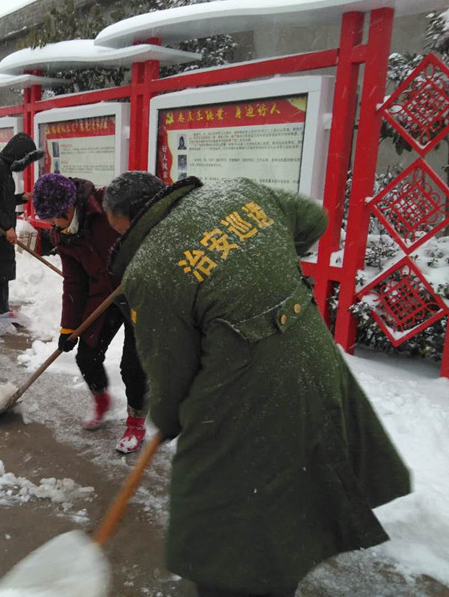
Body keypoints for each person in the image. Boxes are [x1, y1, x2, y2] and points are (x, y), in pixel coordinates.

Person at [103, 172, 411, 597]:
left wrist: (168, 419)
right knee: (303, 466)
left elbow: (172, 372)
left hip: (244, 395)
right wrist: (267, 270)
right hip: (311, 357)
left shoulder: (149, 268)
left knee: (226, 520)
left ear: (126, 219)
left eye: (115, 227)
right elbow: (314, 219)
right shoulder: (240, 192)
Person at [32, 172, 148, 453]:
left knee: (133, 367)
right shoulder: (62, 235)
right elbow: (74, 282)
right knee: (86, 356)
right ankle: (101, 399)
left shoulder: (110, 206)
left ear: (68, 208)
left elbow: (147, 237)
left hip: (139, 295)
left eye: (53, 219)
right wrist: (68, 328)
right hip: (103, 298)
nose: (52, 226)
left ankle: (135, 421)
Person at [0, 132, 43, 335]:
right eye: (24, 159)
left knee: (3, 275)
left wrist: (21, 197)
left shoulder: (4, 169)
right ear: (16, 153)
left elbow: (2, 199)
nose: (24, 164)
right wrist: (7, 227)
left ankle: (3, 312)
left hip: (1, 233)